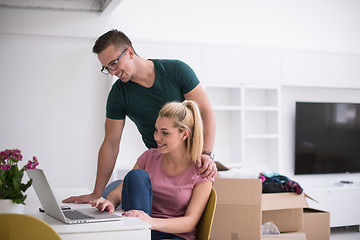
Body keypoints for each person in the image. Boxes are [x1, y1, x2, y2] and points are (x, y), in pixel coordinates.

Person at [63, 30, 216, 204]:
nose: (112, 72)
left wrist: (206, 153)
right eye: (107, 68)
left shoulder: (176, 70)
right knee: (110, 192)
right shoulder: (118, 94)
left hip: (190, 163)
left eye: (114, 63)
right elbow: (111, 144)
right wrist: (96, 193)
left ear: (129, 52)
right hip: (158, 165)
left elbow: (206, 112)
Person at [91, 100, 214, 240]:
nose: (157, 137)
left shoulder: (202, 170)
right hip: (143, 232)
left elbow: (190, 222)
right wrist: (110, 202)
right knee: (136, 176)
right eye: (156, 130)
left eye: (165, 133)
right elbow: (119, 191)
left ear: (184, 134)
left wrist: (151, 222)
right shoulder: (149, 157)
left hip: (173, 236)